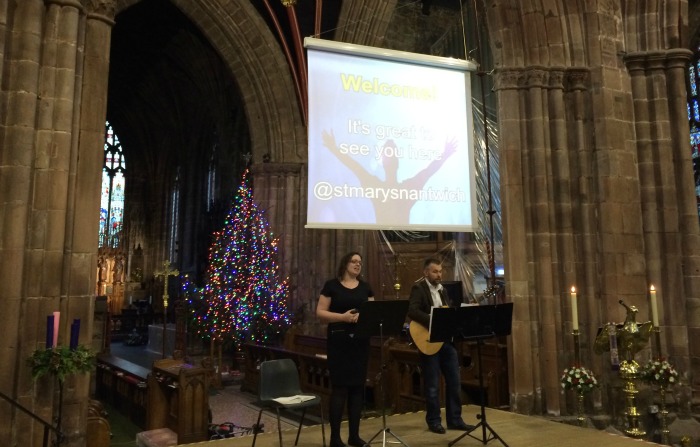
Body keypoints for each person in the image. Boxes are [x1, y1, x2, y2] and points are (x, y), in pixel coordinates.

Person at [407, 257, 474, 434]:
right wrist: (433, 320)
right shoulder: (419, 288)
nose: (439, 274)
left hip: (446, 341)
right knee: (432, 385)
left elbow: (447, 311)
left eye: (440, 271)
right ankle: (434, 421)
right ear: (426, 272)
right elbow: (412, 311)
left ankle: (455, 419)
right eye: (435, 271)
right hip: (428, 341)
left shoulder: (443, 290)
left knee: (454, 381)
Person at [316, 252, 374, 447]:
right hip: (339, 342)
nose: (358, 265)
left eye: (360, 262)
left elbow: (372, 314)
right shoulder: (332, 285)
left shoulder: (366, 287)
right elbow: (320, 312)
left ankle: (354, 436)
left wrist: (363, 317)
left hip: (360, 342)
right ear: (345, 264)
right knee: (340, 388)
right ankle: (335, 438)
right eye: (354, 261)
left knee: (357, 388)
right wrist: (343, 317)